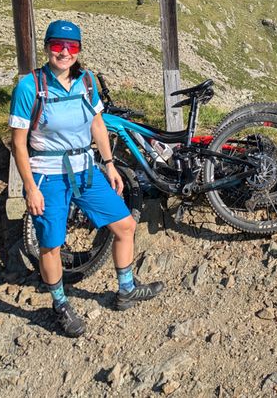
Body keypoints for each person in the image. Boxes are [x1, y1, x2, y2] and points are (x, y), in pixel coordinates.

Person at [9, 20, 164, 337]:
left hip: (86, 169)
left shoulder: (87, 81)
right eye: (57, 46)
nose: (64, 53)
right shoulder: (29, 87)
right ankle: (60, 304)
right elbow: (18, 143)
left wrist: (108, 164)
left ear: (79, 50)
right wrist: (29, 187)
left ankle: (126, 289)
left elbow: (96, 124)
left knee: (125, 225)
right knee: (51, 245)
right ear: (47, 47)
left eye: (72, 47)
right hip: (47, 176)